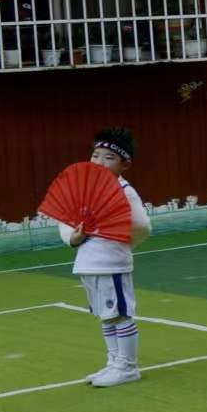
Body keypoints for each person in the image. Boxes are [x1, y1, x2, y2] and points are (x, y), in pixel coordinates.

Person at [63, 128, 151, 388]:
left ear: (125, 164)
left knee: (119, 314)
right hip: (87, 261)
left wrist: (122, 244)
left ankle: (127, 367)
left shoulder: (124, 191)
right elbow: (66, 219)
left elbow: (141, 225)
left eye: (109, 157)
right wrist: (73, 238)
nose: (100, 162)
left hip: (111, 262)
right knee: (105, 315)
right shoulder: (84, 189)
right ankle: (114, 362)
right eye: (96, 155)